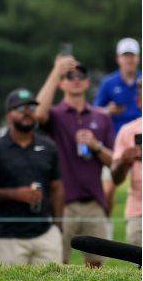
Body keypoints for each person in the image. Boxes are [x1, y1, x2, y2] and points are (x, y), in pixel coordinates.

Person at [33, 53, 114, 267]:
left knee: (98, 267)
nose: (76, 79)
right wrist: (56, 70)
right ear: (62, 83)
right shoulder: (55, 114)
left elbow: (114, 162)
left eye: (80, 75)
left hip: (94, 203)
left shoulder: (101, 116)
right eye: (69, 76)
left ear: (87, 82)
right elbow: (37, 114)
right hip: (62, 203)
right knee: (59, 263)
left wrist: (96, 147)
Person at [0, 89, 63, 265]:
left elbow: (57, 187)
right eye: (20, 108)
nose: (27, 112)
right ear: (9, 115)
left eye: (31, 107)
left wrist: (58, 225)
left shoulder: (48, 147)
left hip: (45, 233)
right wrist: (15, 194)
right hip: (8, 236)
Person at [111, 80, 141, 246]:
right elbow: (116, 179)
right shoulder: (127, 131)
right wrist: (124, 161)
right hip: (138, 213)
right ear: (139, 101)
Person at [94, 38, 142, 135]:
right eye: (125, 56)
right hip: (116, 137)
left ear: (138, 58)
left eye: (132, 56)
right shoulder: (108, 83)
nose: (129, 60)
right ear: (118, 58)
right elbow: (95, 111)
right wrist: (107, 110)